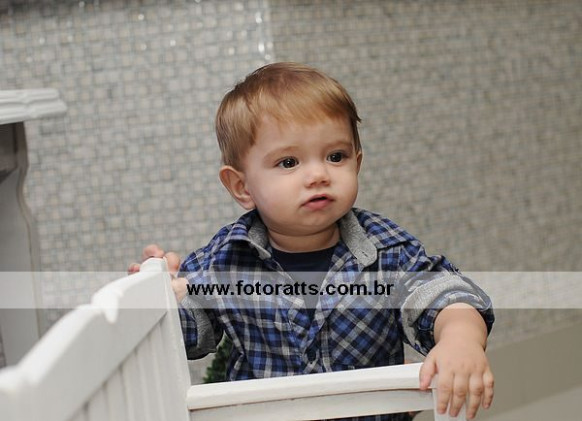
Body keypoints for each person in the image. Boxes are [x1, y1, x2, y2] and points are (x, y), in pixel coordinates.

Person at [130, 62, 494, 421]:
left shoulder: (387, 251)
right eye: (289, 162)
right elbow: (187, 335)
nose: (319, 174)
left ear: (357, 163)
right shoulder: (226, 259)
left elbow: (443, 294)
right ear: (242, 187)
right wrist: (159, 296)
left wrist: (460, 338)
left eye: (336, 157)